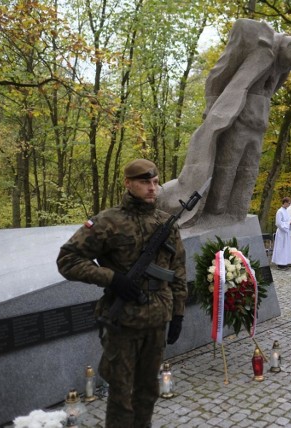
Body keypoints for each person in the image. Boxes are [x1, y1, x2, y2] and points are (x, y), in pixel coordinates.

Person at [56, 159, 187, 428]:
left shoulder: (167, 224)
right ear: (128, 184)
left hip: (156, 321)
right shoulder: (108, 222)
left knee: (148, 391)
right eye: (144, 182)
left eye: (155, 182)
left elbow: (178, 272)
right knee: (121, 394)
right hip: (123, 321)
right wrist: (112, 278)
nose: (152, 188)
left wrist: (178, 314)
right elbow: (68, 259)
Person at [159, 19, 291, 228]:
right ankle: (215, 213)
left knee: (248, 171)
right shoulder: (261, 44)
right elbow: (220, 72)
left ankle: (235, 214)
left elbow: (268, 91)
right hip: (237, 120)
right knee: (227, 167)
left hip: (258, 125)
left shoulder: (284, 65)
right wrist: (211, 106)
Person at [272, 197, 291, 269]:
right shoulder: (279, 211)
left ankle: (284, 262)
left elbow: (289, 219)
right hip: (281, 232)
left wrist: (290, 223)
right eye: (288, 203)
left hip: (286, 232)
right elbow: (278, 223)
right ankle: (280, 263)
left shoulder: (287, 211)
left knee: (286, 247)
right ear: (284, 202)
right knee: (281, 247)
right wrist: (288, 224)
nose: (289, 204)